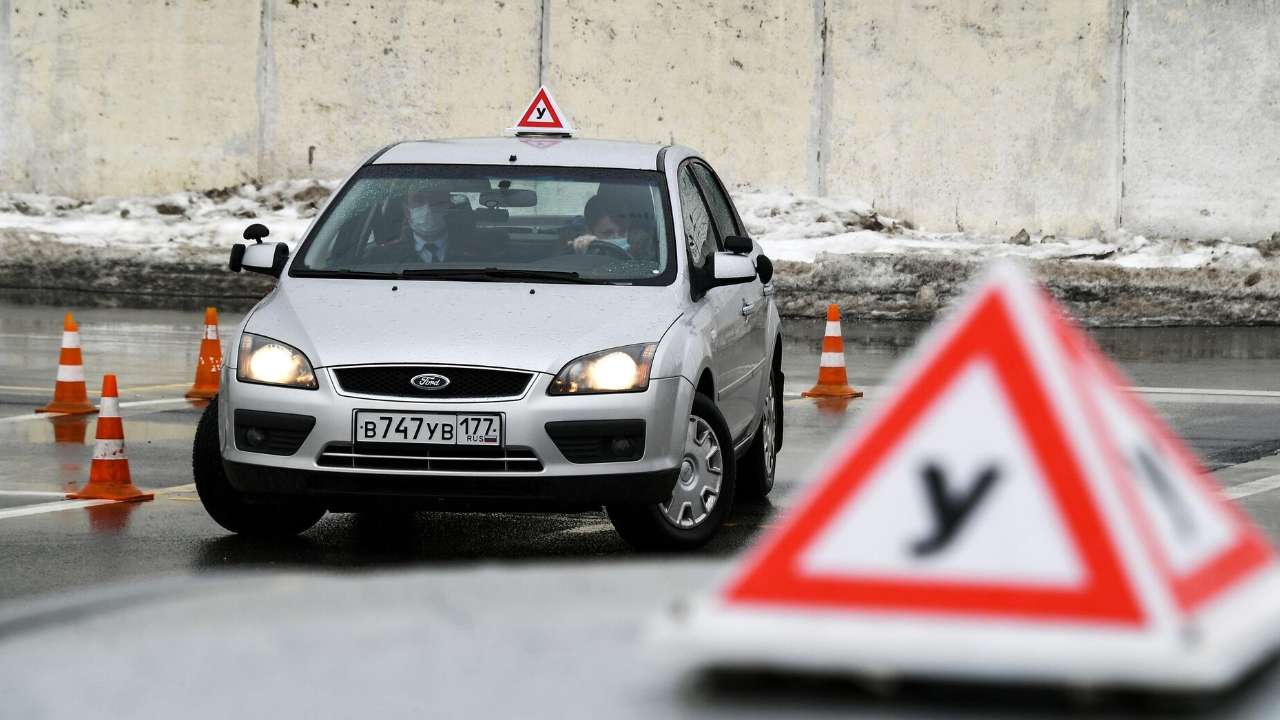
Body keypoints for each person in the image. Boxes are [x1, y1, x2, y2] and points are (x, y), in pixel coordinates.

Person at [366, 188, 458, 266]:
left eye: (435, 200)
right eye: (418, 201)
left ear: (449, 206)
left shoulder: (471, 249)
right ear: (406, 210)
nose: (428, 208)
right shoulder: (382, 258)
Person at [568, 194, 655, 261]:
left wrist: (644, 248)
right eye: (608, 233)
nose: (617, 237)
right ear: (590, 231)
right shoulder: (581, 248)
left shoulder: (640, 245)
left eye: (622, 231)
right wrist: (583, 248)